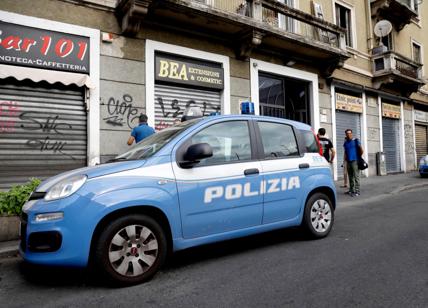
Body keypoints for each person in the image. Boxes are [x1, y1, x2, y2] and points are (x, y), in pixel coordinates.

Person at [343, 129, 364, 197]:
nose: (348, 134)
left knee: (356, 176)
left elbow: (361, 150)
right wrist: (345, 160)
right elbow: (346, 152)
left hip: (355, 161)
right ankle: (351, 190)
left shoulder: (355, 141)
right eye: (347, 133)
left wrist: (358, 157)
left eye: (350, 133)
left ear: (352, 134)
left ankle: (357, 191)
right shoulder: (345, 142)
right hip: (348, 161)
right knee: (350, 176)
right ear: (346, 134)